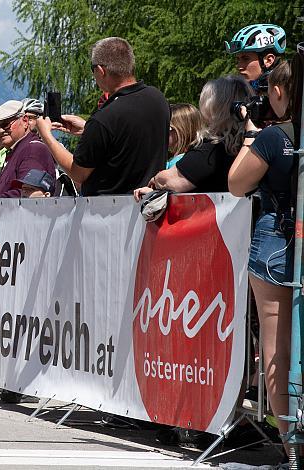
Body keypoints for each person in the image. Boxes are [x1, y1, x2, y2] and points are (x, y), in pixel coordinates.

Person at [228, 60, 295, 451]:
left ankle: (292, 448)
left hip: (277, 240)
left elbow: (237, 183)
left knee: (276, 349)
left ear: (281, 91)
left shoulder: (275, 137)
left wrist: (253, 137)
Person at [36, 37, 170, 196]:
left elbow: (78, 173)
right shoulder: (158, 99)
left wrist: (46, 136)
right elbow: (127, 138)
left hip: (109, 213)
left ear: (101, 70)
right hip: (150, 205)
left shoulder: (105, 117)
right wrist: (88, 130)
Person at [134, 76, 251, 198]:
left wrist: (155, 180)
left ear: (211, 106)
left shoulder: (212, 149)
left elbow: (172, 181)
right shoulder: (254, 141)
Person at [0, 99, 56, 198]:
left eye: (5, 124)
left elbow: (26, 193)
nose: (0, 130)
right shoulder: (17, 150)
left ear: (25, 121)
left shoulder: (33, 150)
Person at [225, 24, 286, 92]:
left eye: (246, 59)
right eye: (238, 59)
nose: (239, 66)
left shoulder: (288, 93)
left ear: (268, 60)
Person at [165, 104, 203, 169]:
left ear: (183, 131)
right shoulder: (192, 158)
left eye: (168, 128)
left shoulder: (179, 163)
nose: (163, 132)